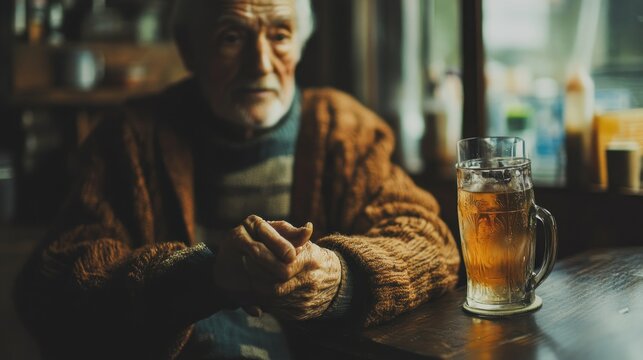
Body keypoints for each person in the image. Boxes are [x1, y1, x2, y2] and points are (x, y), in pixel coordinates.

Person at [15, 0, 460, 358]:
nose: (260, 64)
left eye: (280, 35)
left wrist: (338, 278)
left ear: (301, 44)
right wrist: (203, 275)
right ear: (188, 47)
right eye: (232, 37)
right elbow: (52, 284)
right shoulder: (130, 138)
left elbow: (431, 245)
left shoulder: (345, 129)